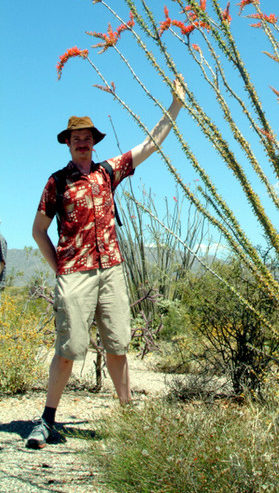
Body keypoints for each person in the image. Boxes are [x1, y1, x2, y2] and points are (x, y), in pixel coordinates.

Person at [26, 79, 184, 449]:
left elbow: (151, 144)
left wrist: (175, 105)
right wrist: (61, 269)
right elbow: (38, 231)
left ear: (95, 142)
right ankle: (47, 420)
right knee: (69, 348)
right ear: (67, 142)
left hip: (112, 270)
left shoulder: (108, 172)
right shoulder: (57, 183)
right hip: (75, 273)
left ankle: (128, 415)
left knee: (118, 345)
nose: (83, 142)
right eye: (75, 137)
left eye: (88, 137)